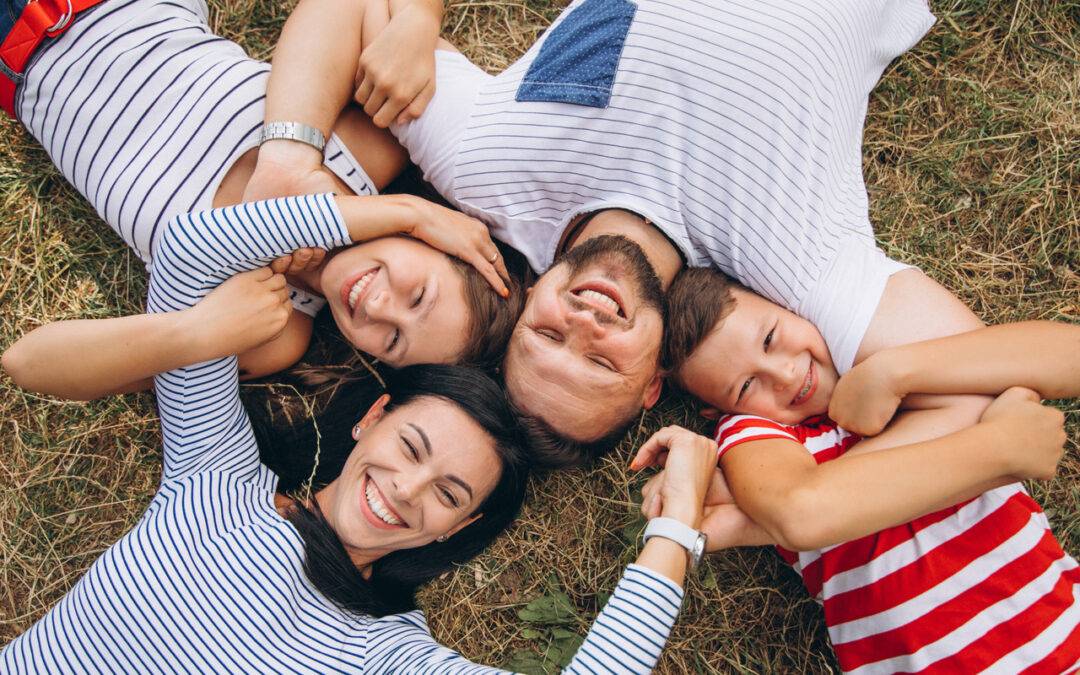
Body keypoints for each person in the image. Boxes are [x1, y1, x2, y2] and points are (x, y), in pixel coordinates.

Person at [252, 0, 993, 466]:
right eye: (602, 365)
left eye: (547, 337)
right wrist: (797, 508)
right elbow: (978, 390)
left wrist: (289, 155)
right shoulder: (794, 271)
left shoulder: (489, 172)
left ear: (526, 293)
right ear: (652, 387)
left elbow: (353, 10)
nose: (586, 324)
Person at [0, 193, 720, 672]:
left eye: (448, 493)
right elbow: (192, 247)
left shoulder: (381, 654)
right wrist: (399, 214)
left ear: (457, 527)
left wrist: (678, 524)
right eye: (411, 446)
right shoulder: (216, 479)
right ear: (372, 419)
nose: (405, 490)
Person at [7, 0, 521, 389]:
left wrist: (197, 332)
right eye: (419, 296)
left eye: (393, 342)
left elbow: (31, 366)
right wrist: (294, 161)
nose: (381, 308)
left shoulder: (273, 326)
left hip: (16, 65)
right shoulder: (373, 147)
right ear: (433, 240)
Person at [635, 266, 1079, 671]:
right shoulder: (758, 434)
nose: (786, 375)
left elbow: (1066, 356)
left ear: (791, 308)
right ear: (718, 413)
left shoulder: (906, 367)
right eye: (746, 386)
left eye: (771, 338)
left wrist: (893, 372)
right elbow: (796, 505)